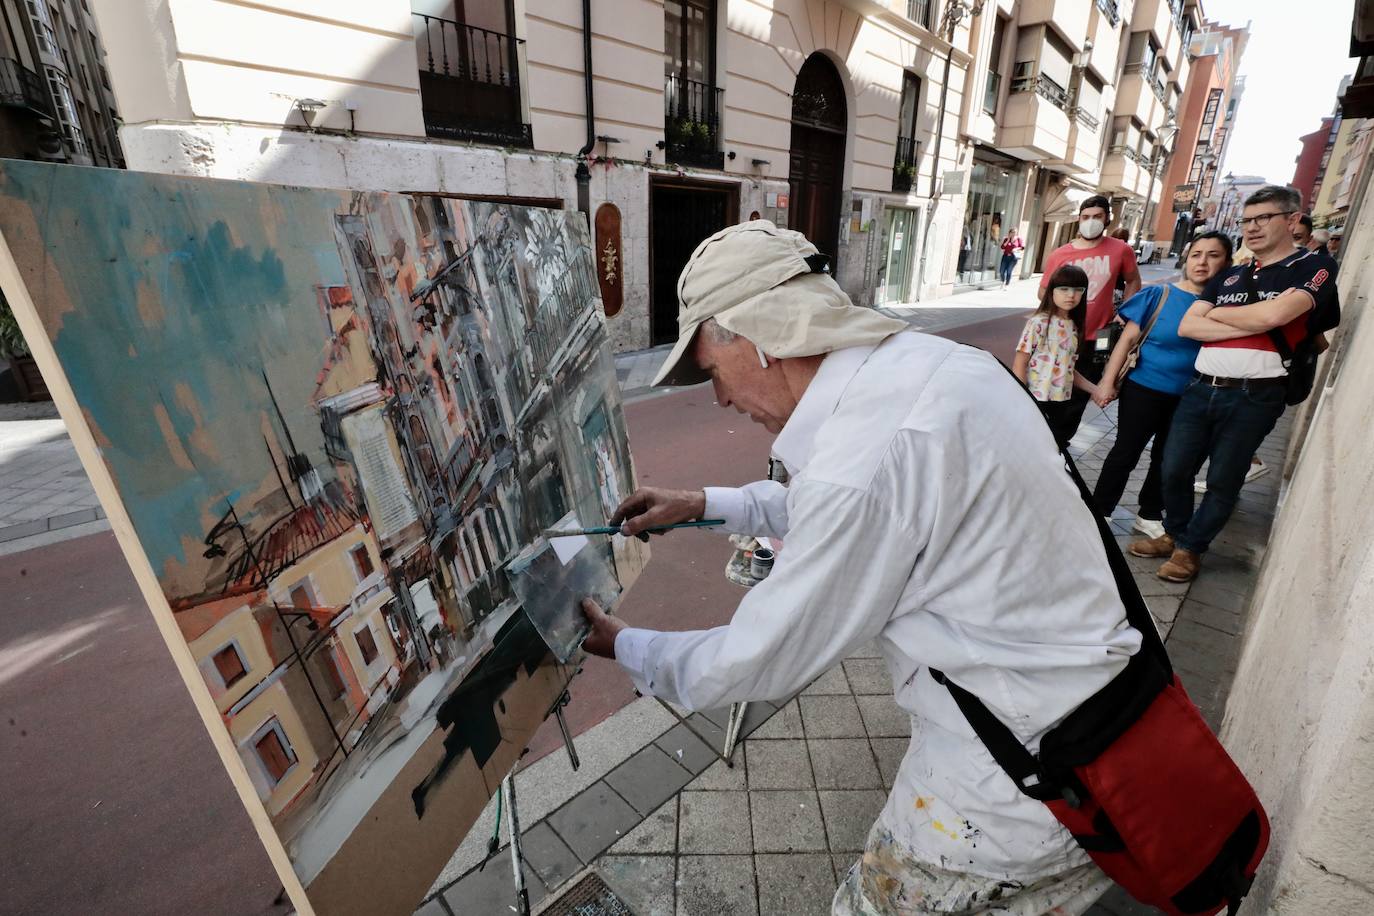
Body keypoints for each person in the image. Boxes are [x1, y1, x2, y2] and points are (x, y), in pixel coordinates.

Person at [581, 220, 1140, 915]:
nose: (719, 398)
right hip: (1080, 724)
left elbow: (759, 655)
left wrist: (624, 645)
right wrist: (700, 501)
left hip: (1017, 785)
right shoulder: (926, 367)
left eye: (712, 372)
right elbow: (847, 503)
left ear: (759, 339)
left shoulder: (868, 458)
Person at [1130, 185, 1338, 583]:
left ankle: (1190, 549)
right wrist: (1255, 316)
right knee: (1173, 469)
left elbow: (1272, 319)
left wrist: (1227, 318)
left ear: (1292, 220)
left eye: (1264, 218)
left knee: (1224, 478)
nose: (1253, 228)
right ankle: (1174, 532)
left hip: (1255, 394)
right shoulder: (1230, 275)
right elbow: (1190, 325)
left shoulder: (1314, 269)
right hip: (1200, 387)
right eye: (1247, 220)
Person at [1090, 232, 1234, 538]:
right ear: (1186, 258)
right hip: (1144, 389)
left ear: (1227, 262)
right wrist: (1106, 383)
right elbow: (1126, 340)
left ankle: (1150, 513)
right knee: (1125, 451)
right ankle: (1100, 510)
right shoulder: (1160, 296)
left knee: (1169, 459)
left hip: (1192, 396)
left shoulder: (1228, 307)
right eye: (1196, 254)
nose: (1202, 262)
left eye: (1213, 255)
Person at [1039, 195, 1142, 443]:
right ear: (1078, 220)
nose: (1091, 222)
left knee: (1077, 398)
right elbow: (1043, 291)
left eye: (1097, 217)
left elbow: (1133, 281)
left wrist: (1123, 313)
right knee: (1052, 389)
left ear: (1107, 219)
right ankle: (1045, 439)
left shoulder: (1120, 250)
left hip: (1098, 337)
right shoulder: (1060, 254)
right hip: (1063, 335)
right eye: (1086, 217)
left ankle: (1061, 443)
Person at [1013, 264, 1100, 447]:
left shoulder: (1074, 327)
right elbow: (1020, 363)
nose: (1071, 295)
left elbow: (1068, 369)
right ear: (1051, 291)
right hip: (1035, 400)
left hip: (1062, 402)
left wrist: (1095, 389)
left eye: (1078, 290)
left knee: (1053, 447)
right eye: (1064, 289)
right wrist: (1023, 400)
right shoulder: (1038, 323)